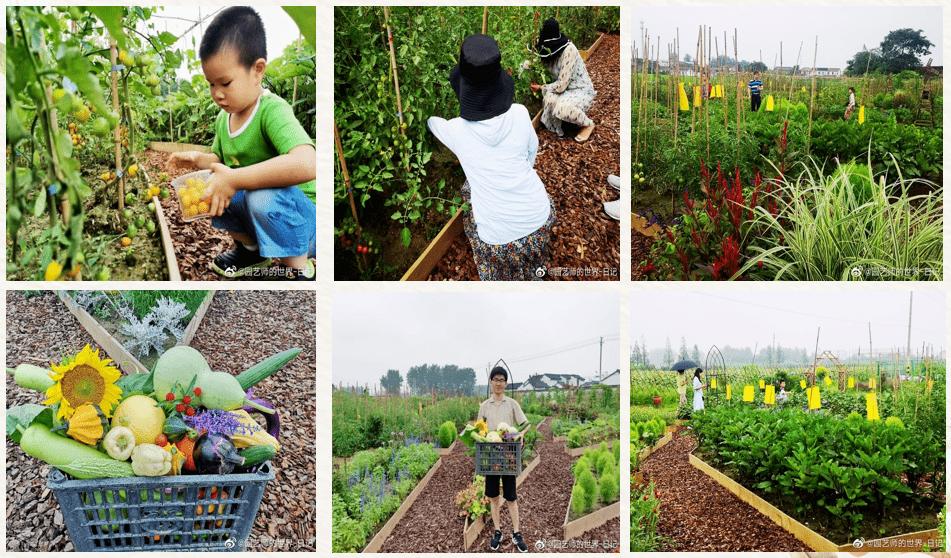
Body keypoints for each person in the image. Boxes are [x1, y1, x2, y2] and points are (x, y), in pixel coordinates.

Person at [166, 7, 316, 280]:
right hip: (265, 216)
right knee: (216, 188)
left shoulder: (272, 111)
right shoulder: (225, 119)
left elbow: (307, 163)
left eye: (225, 82)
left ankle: (298, 270)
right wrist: (198, 159)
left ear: (257, 70)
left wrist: (235, 179)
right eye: (211, 84)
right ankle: (251, 252)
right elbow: (219, 161)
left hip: (302, 223)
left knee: (256, 196)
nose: (217, 94)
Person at [428, 34, 555, 281]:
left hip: (496, 243)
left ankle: (494, 274)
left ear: (463, 88)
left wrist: (425, 121)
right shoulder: (519, 114)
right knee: (530, 259)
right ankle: (533, 268)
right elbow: (532, 152)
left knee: (469, 195)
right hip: (541, 220)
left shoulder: (456, 130)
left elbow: (435, 124)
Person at [477, 366, 530, 552]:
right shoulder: (484, 406)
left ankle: (517, 533)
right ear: (490, 382)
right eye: (495, 379)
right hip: (491, 457)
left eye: (502, 380)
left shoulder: (512, 404)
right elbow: (480, 431)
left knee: (511, 497)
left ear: (506, 383)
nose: (498, 383)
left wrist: (521, 434)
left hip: (508, 455)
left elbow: (526, 424)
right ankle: (497, 532)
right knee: (493, 497)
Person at [531, 18, 597, 142]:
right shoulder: (549, 54)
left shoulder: (569, 51)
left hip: (578, 89)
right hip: (563, 90)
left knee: (562, 109)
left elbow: (561, 85)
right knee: (549, 101)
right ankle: (562, 125)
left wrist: (541, 87)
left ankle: (588, 124)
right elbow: (536, 63)